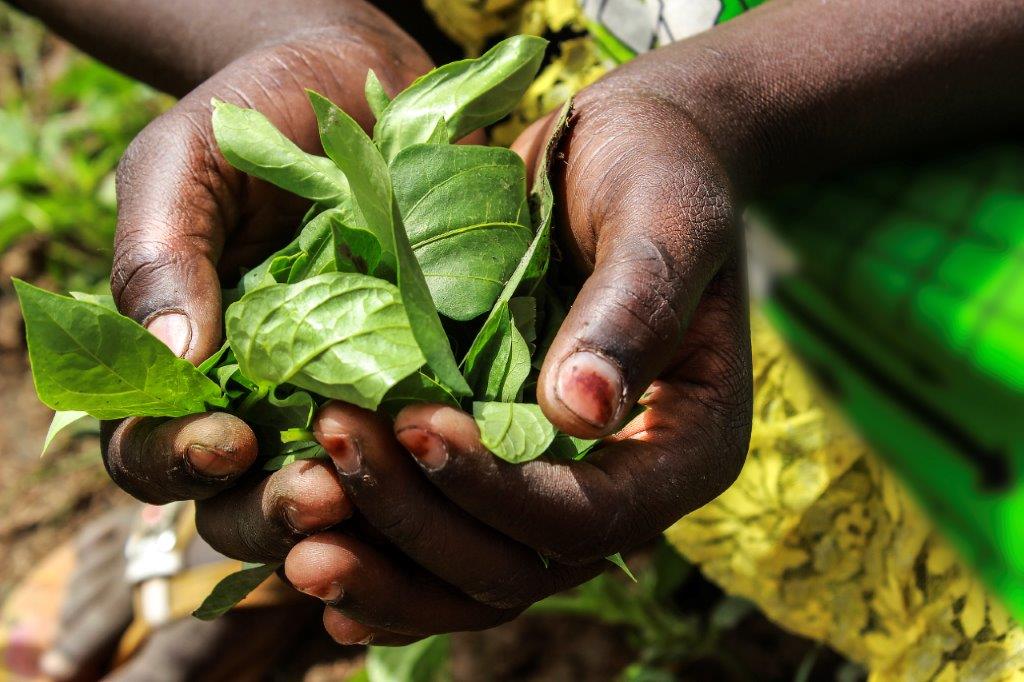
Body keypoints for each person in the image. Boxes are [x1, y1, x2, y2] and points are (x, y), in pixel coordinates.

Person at [3, 0, 1023, 678]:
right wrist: (311, 25)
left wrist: (724, 101)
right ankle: (324, 471)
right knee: (403, 461)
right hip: (551, 172)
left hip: (922, 105)